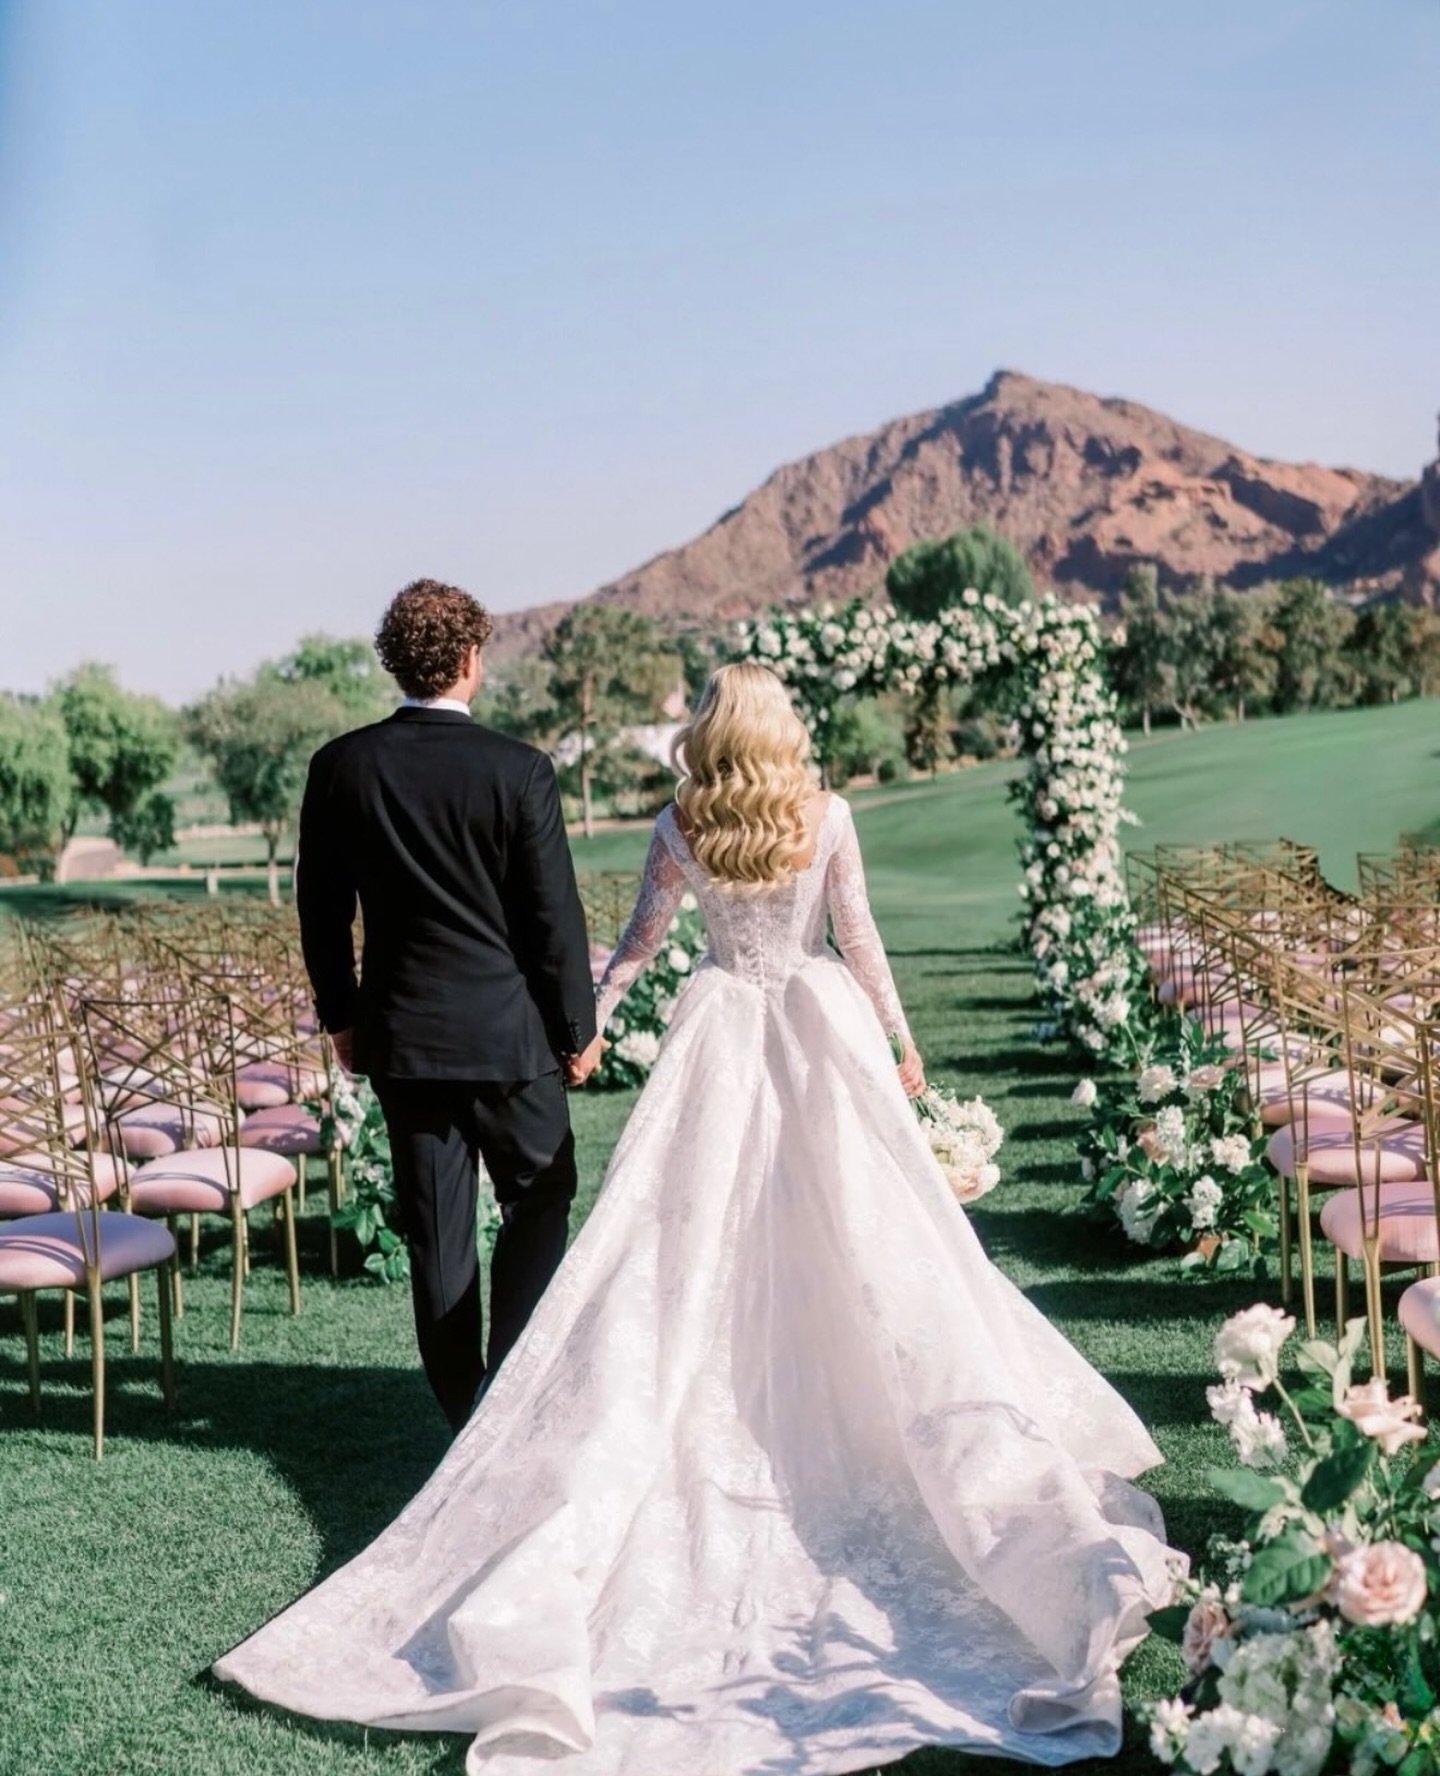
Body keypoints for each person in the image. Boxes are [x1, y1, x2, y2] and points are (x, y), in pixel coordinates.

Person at [217, 660, 1179, 1771]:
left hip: (721, 1030)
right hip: (822, 1033)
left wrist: (586, 1023)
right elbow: (859, 945)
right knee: (867, 1244)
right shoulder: (828, 815)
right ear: (784, 733)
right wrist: (905, 1051)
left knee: (694, 1246)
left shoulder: (682, 820)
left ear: (710, 736)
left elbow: (637, 944)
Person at [294, 579, 603, 1430]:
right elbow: (553, 920)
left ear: (394, 662)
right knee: (541, 1193)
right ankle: (513, 1383)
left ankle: (463, 1408)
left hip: (405, 1043)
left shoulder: (341, 767)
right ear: (471, 661)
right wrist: (577, 1030)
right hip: (512, 1042)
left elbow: (321, 910)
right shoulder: (520, 771)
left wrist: (344, 1017)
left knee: (436, 1234)